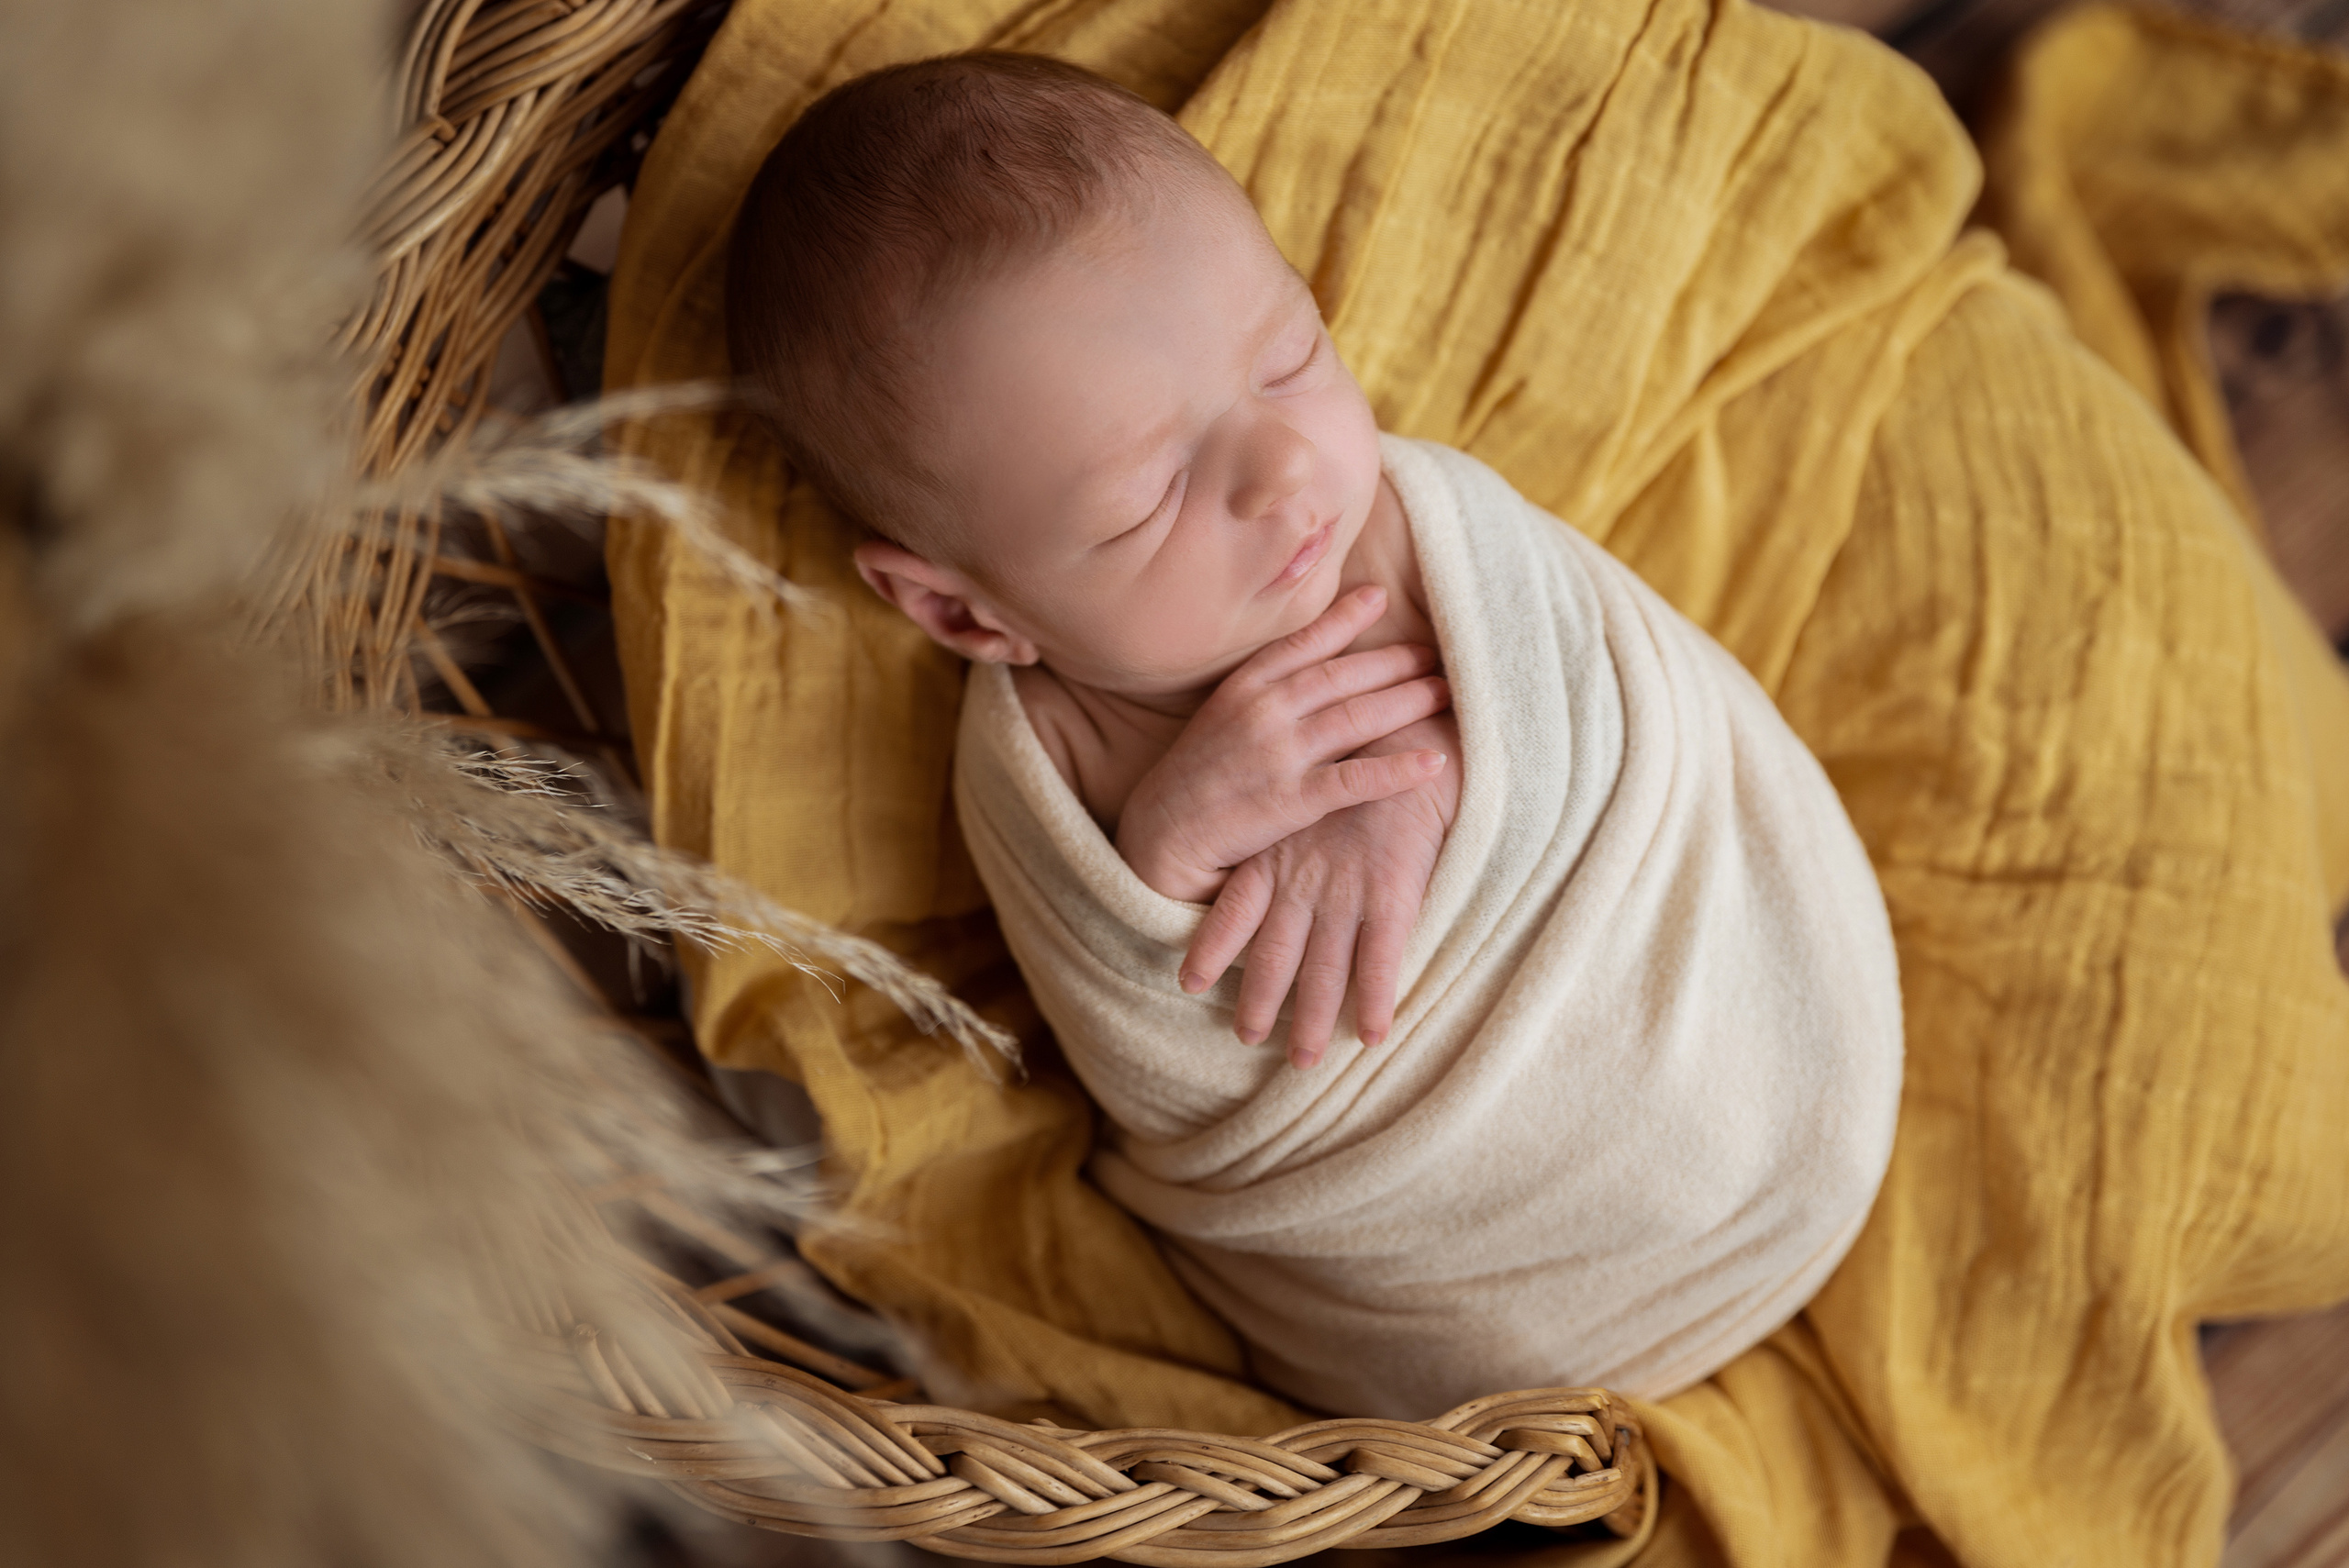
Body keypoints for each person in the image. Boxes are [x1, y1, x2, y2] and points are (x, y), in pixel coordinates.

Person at [724, 50, 1905, 1417]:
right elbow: (1146, 1047)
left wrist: (1432, 782)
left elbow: (1571, 661)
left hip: (1762, 1063)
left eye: (1291, 357)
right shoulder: (1042, 763)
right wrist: (1161, 863)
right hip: (1487, 1302)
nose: (1289, 473)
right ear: (969, 612)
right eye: (1147, 501)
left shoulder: (1396, 528)